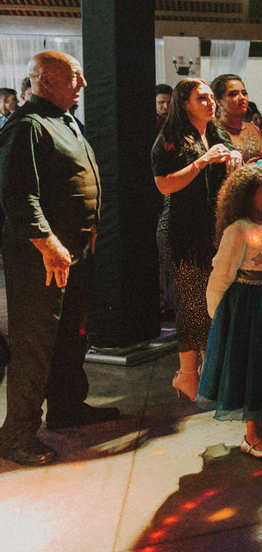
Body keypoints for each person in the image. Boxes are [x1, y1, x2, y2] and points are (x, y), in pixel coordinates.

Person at [0, 51, 116, 466]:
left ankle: (66, 408)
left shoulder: (64, 120)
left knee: (70, 337)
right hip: (42, 260)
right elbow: (18, 194)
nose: (83, 85)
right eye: (75, 78)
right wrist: (48, 244)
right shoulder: (27, 126)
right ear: (46, 81)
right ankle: (16, 435)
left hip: (74, 255)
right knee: (36, 345)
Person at [196, 164, 262, 457]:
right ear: (246, 195)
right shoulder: (237, 230)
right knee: (253, 366)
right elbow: (221, 275)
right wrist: (219, 318)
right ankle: (252, 435)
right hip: (248, 310)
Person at [153, 79, 242, 402]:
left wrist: (234, 162)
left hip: (211, 227)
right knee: (190, 302)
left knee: (210, 302)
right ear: (185, 104)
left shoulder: (216, 132)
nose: (210, 103)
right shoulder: (171, 138)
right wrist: (201, 162)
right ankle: (187, 375)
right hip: (180, 227)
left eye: (209, 98)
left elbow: (228, 177)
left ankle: (206, 371)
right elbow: (164, 185)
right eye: (201, 98)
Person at [211, 74, 262, 164]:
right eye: (233, 94)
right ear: (218, 101)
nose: (242, 97)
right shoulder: (213, 130)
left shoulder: (254, 128)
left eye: (244, 93)